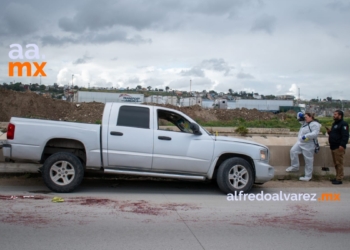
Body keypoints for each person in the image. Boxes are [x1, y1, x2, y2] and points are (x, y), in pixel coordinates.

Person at [286, 112, 321, 181]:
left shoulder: (315, 124)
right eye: (304, 117)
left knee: (308, 160)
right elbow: (299, 118)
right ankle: (295, 166)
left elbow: (315, 133)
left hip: (309, 145)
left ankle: (308, 176)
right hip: (300, 143)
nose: (305, 119)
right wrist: (300, 115)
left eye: (306, 117)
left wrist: (306, 136)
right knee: (293, 151)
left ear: (311, 117)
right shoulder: (305, 123)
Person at [326, 110, 349, 185]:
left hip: (339, 147)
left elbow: (345, 135)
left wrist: (342, 145)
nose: (334, 115)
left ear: (340, 116)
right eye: (334, 114)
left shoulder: (343, 124)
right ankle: (337, 176)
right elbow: (336, 134)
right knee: (336, 163)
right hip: (333, 146)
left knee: (339, 163)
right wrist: (330, 132)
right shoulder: (335, 124)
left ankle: (339, 179)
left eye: (335, 114)